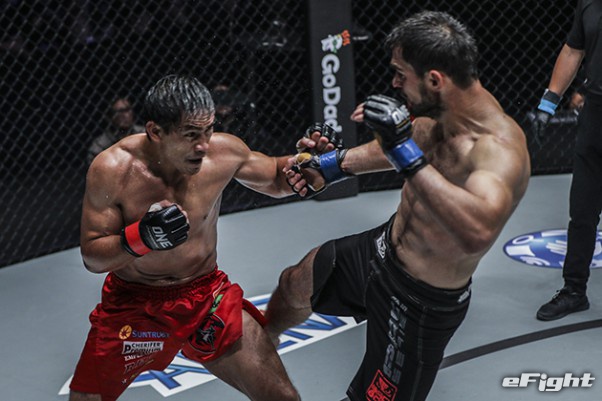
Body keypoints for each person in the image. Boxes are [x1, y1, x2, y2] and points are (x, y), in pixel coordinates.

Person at [265, 11, 530, 401]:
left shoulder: (498, 149)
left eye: (401, 74)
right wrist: (330, 166)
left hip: (421, 301)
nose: (394, 83)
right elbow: (414, 139)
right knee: (297, 282)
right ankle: (264, 341)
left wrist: (402, 150)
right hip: (382, 250)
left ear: (434, 80)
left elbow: (477, 231)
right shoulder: (441, 117)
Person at [70, 74, 338, 401]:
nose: (203, 145)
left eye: (208, 130)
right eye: (190, 134)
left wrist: (307, 166)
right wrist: (143, 238)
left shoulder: (222, 152)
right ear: (155, 131)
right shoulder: (113, 169)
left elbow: (274, 176)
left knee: (283, 398)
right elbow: (93, 256)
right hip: (135, 303)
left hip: (205, 296)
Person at [534, 0, 602, 321]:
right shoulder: (590, 3)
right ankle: (574, 290)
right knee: (582, 210)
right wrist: (549, 101)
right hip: (596, 117)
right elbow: (574, 49)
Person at [86, 97, 144, 164]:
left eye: (128, 110)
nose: (126, 115)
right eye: (120, 111)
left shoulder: (144, 133)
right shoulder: (100, 144)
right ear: (110, 116)